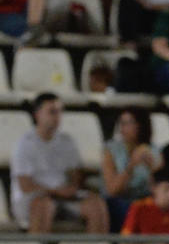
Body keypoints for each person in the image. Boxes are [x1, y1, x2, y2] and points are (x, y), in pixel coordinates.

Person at [12, 92, 109, 234]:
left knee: (96, 205)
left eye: (59, 112)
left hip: (64, 199)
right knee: (44, 205)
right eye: (52, 112)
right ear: (37, 114)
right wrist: (56, 191)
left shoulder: (67, 141)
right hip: (33, 199)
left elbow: (75, 175)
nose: (57, 117)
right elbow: (25, 185)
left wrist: (71, 189)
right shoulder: (24, 144)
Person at [101, 107, 160, 232]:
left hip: (145, 198)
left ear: (141, 125)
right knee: (130, 209)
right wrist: (131, 165)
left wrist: (152, 169)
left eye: (128, 123)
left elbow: (158, 189)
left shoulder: (154, 151)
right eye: (121, 123)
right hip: (119, 200)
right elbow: (112, 190)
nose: (123, 128)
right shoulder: (110, 150)